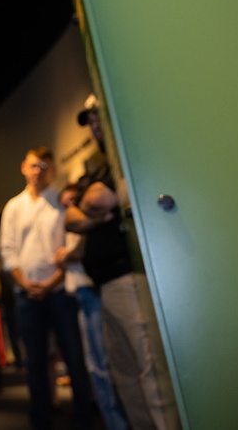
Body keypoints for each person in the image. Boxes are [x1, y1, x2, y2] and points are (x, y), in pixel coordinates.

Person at [67, 96, 180, 430]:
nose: (94, 125)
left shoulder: (132, 153)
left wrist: (98, 206)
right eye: (90, 120)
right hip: (105, 285)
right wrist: (99, 211)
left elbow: (95, 199)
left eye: (98, 117)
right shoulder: (100, 166)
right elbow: (71, 217)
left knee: (149, 371)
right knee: (126, 375)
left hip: (130, 278)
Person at [0, 147, 94, 430]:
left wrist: (52, 282)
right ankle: (40, 419)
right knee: (36, 362)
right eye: (33, 165)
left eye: (43, 166)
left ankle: (84, 418)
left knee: (74, 357)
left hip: (60, 291)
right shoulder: (13, 207)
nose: (38, 171)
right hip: (26, 294)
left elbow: (71, 246)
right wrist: (24, 283)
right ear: (23, 167)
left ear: (51, 170)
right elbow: (8, 251)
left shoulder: (61, 202)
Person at [56, 184, 128, 430]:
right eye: (65, 203)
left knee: (107, 363)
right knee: (95, 365)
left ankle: (120, 423)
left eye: (74, 200)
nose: (70, 207)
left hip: (94, 289)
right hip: (80, 293)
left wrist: (67, 255)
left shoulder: (91, 219)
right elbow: (73, 225)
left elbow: (76, 252)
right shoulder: (74, 221)